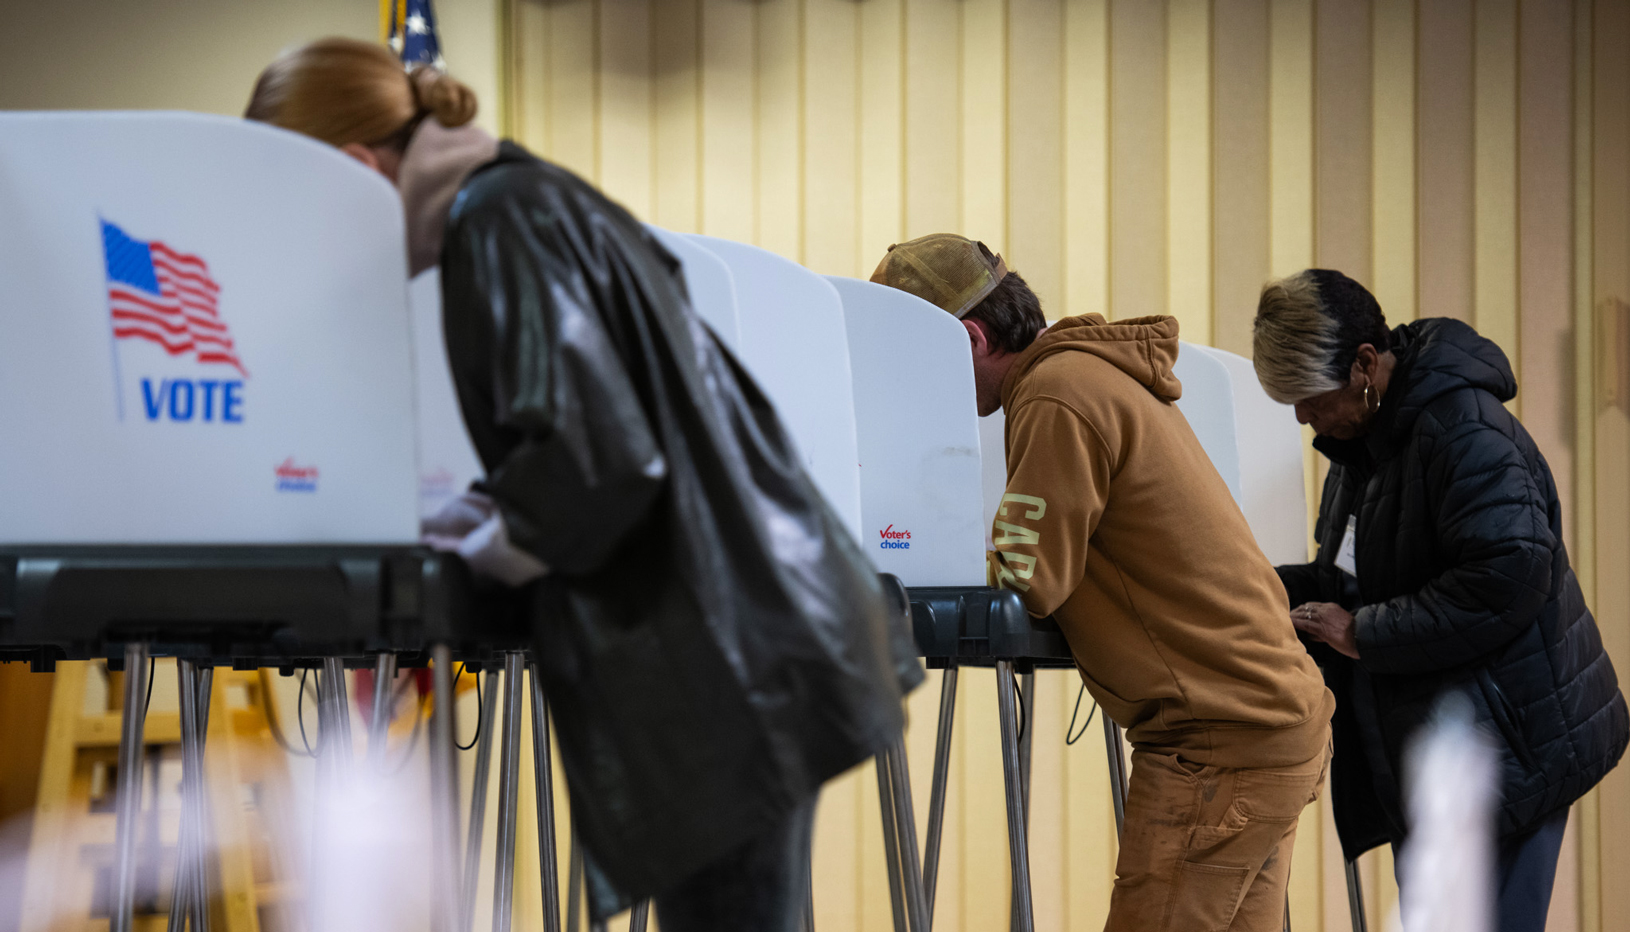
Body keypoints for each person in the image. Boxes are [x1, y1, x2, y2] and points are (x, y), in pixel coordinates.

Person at [246, 39, 919, 931]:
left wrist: (474, 540)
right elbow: (607, 427)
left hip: (725, 654)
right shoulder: (521, 202)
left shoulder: (499, 221)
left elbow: (598, 461)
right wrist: (482, 511)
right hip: (746, 634)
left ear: (355, 168)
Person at [872, 234, 1336, 932]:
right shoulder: (1098, 376)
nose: (914, 388)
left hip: (1214, 746)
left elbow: (1032, 577)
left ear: (968, 338)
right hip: (1270, 724)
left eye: (914, 363)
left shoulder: (1057, 395)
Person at [1253, 269, 1628, 932]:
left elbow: (1505, 579)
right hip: (1439, 746)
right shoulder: (1360, 448)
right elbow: (1352, 579)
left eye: (1308, 398)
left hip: (1511, 746)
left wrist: (1363, 632)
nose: (1302, 417)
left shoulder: (1464, 431)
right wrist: (1250, 583)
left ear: (1365, 365)